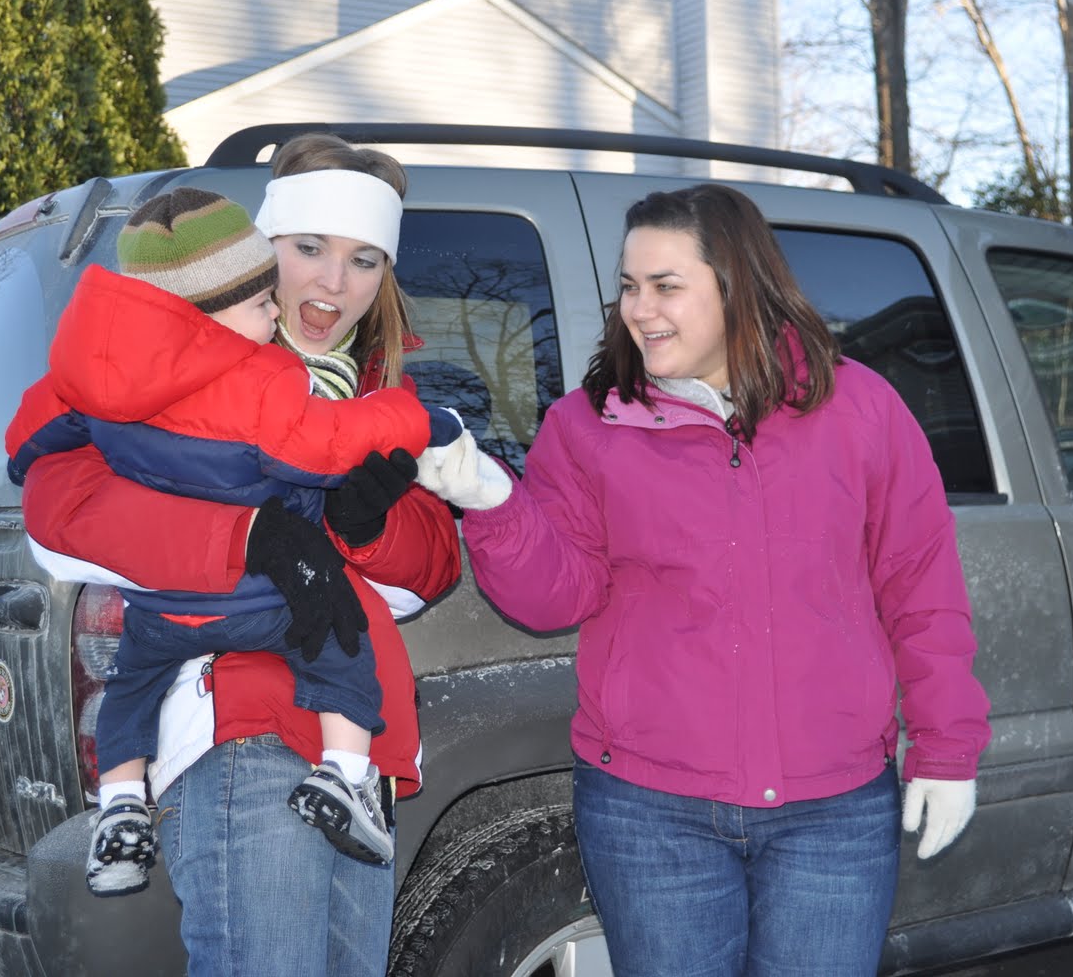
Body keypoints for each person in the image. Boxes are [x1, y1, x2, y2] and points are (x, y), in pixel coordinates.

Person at [416, 183, 992, 976]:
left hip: (832, 809)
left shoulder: (859, 409)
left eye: (666, 285)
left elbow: (921, 588)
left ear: (736, 285)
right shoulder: (589, 425)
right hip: (651, 813)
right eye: (629, 285)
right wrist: (492, 501)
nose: (639, 309)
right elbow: (555, 595)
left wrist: (946, 747)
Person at [15, 134, 459, 975]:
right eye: (309, 248)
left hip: (359, 758)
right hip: (245, 736)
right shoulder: (155, 369)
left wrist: (362, 526)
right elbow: (56, 512)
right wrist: (250, 536)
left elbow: (432, 570)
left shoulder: (379, 396)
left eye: (364, 259)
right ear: (261, 247)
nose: (335, 281)